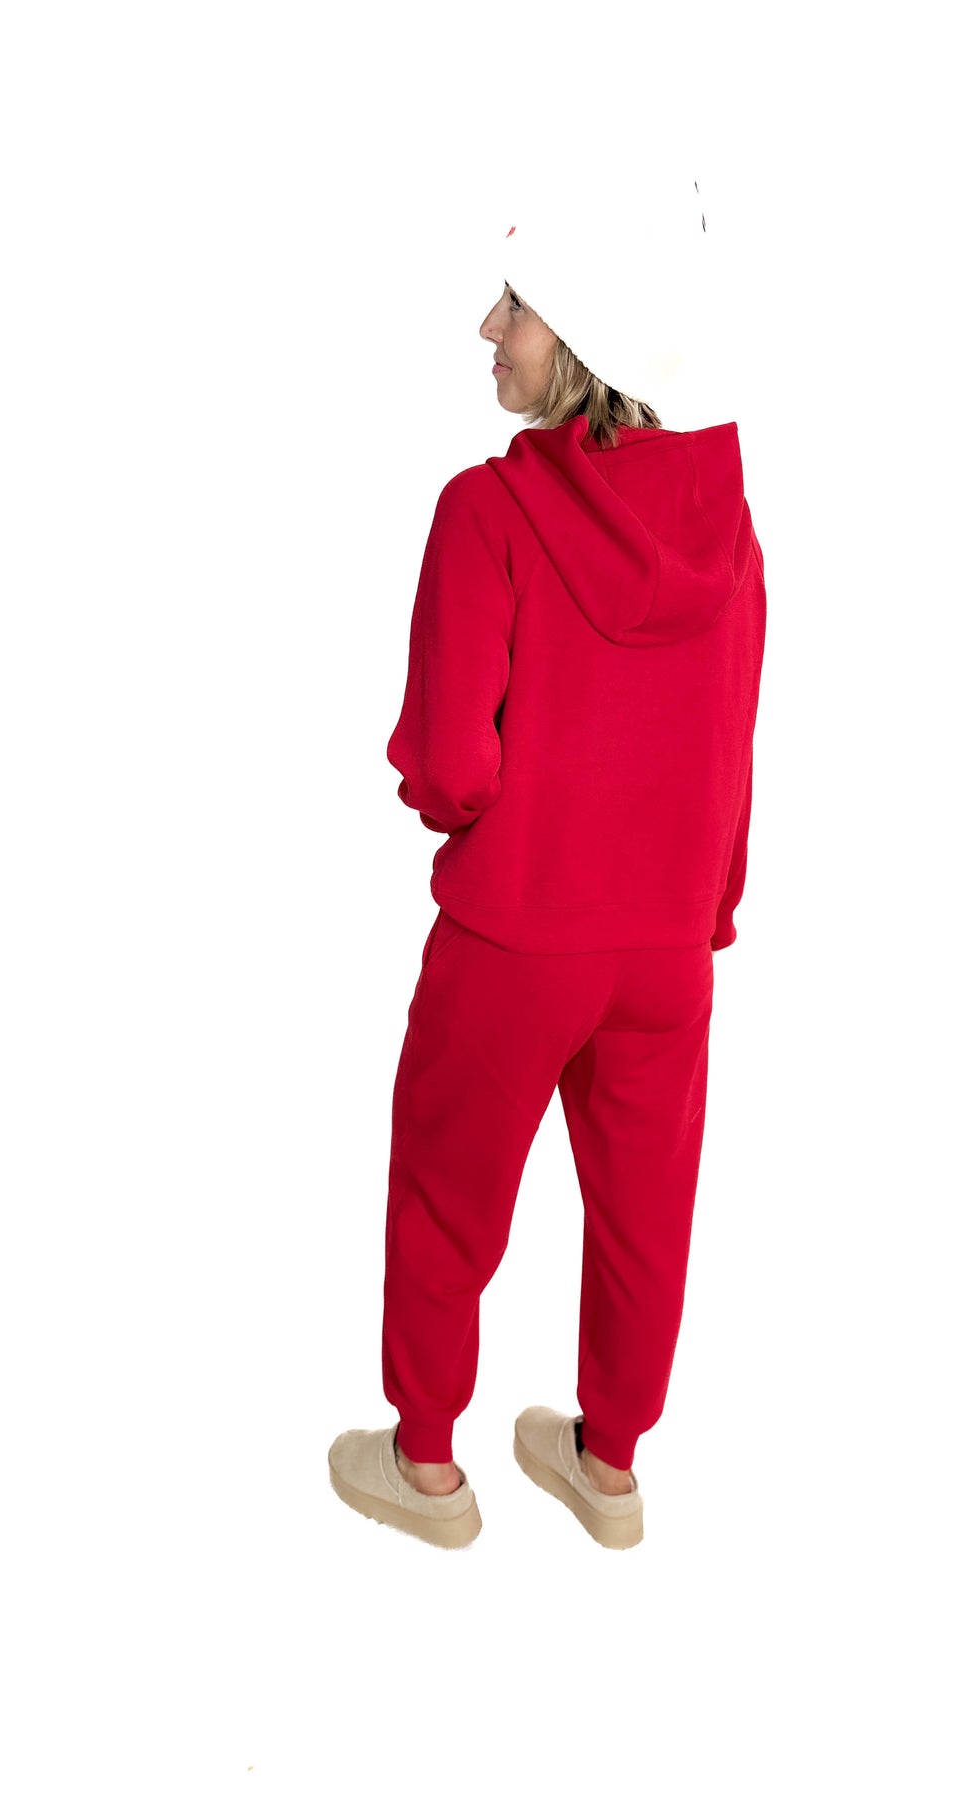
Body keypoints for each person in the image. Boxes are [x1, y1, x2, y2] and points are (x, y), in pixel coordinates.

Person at [328, 171, 766, 1551]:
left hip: (517, 936)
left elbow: (449, 766)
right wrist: (703, 907)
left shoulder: (487, 513)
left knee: (444, 1194)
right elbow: (732, 742)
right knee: (645, 1214)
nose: (487, 328)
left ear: (580, 332)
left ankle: (426, 1469)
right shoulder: (728, 526)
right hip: (668, 950)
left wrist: (461, 804)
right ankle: (608, 1465)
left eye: (513, 304)